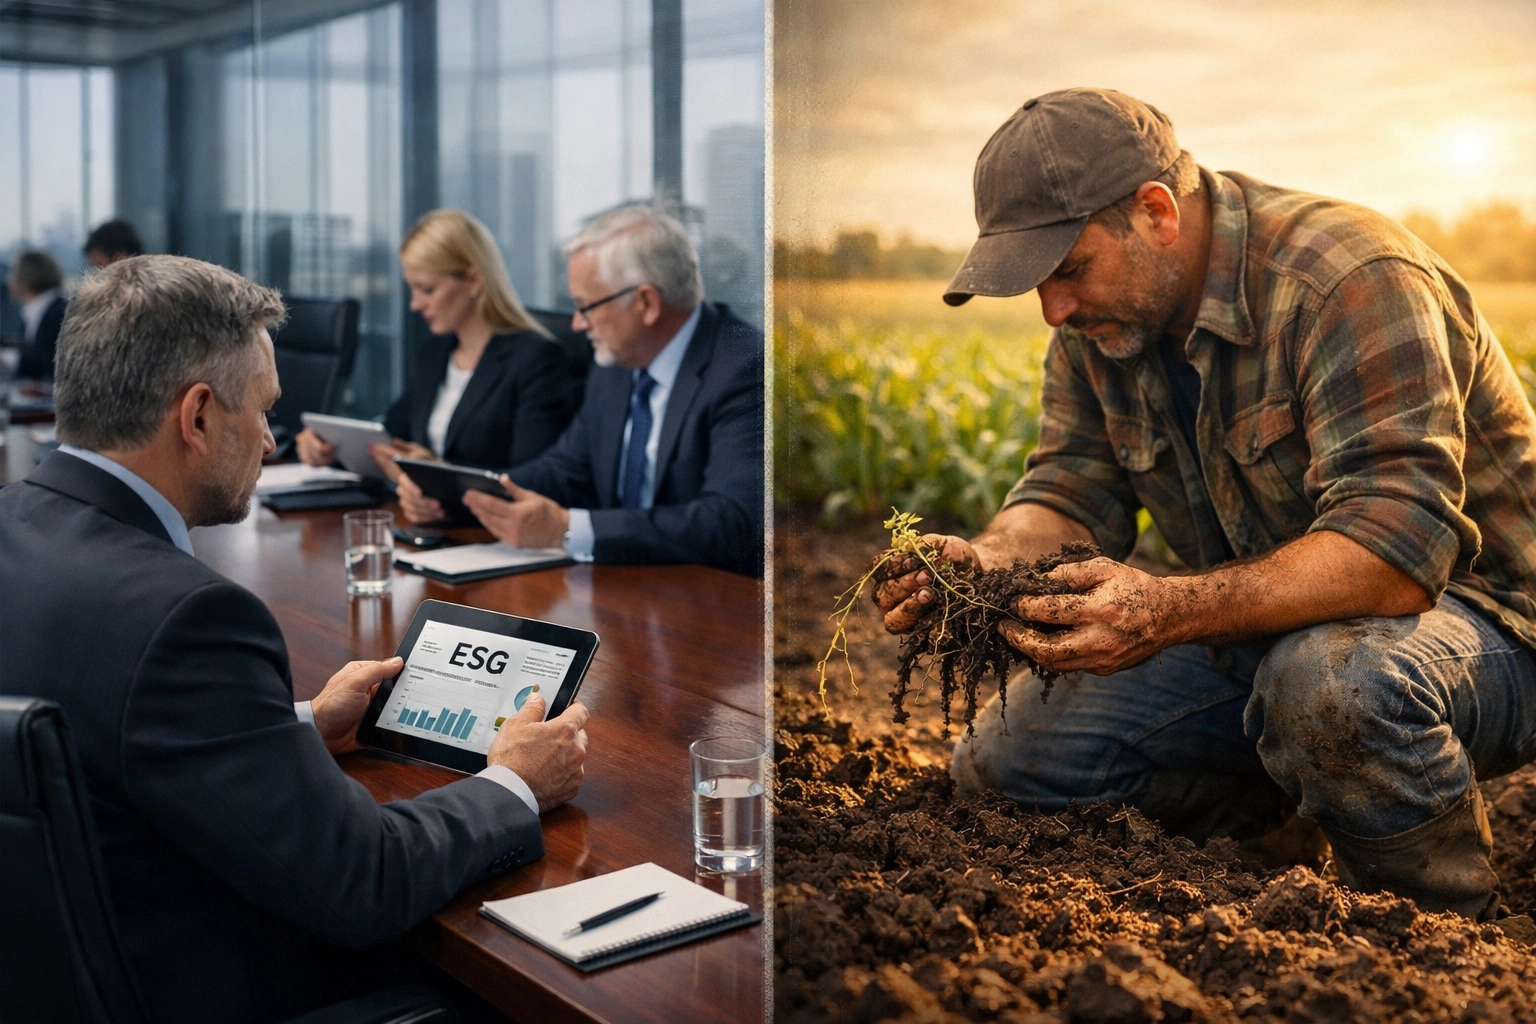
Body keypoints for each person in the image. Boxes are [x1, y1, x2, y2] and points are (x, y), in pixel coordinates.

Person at [875, 87, 1536, 925]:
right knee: (1011, 758)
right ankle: (1276, 835)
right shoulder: (1101, 331)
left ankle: (1440, 938)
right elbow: (1070, 489)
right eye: (1040, 285)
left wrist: (1166, 607)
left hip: (1491, 628)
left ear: (1156, 212)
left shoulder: (1349, 279)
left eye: (1069, 270)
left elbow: (1397, 548)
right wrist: (989, 559)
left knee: (1331, 685)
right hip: (1275, 628)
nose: (1054, 310)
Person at [0, 255, 591, 1024]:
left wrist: (299, 724)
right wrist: (513, 782)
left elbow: (117, 736)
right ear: (199, 415)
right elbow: (364, 881)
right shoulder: (188, 619)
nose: (272, 440)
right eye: (264, 410)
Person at [394, 206, 765, 577]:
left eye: (585, 306)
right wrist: (452, 497)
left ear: (646, 303)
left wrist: (569, 529)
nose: (576, 324)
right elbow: (564, 469)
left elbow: (729, 521)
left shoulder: (744, 367)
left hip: (710, 598)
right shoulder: (615, 364)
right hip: (616, 585)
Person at [296, 209, 573, 477]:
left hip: (480, 524)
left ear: (473, 279)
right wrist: (334, 450)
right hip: (423, 518)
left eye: (427, 289)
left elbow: (535, 480)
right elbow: (393, 438)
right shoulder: (436, 351)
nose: (415, 304)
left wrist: (443, 478)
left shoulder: (536, 359)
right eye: (412, 289)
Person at [4, 250, 67, 380]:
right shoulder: (35, 311)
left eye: (13, 275)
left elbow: (49, 362)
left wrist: (6, 357)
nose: (9, 282)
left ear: (27, 278)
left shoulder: (60, 312)